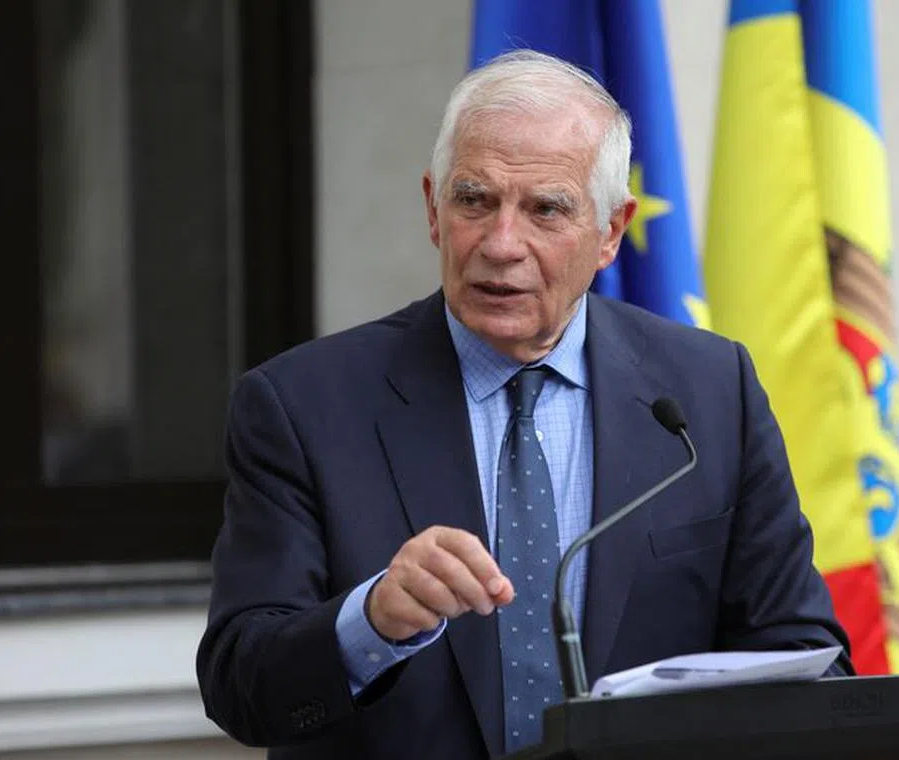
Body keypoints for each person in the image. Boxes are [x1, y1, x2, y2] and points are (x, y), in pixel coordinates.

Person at [197, 50, 852, 759]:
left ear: (610, 232)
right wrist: (371, 621)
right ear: (432, 209)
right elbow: (241, 682)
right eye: (474, 201)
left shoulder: (708, 393)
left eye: (546, 209)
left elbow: (803, 652)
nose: (501, 245)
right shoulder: (302, 406)